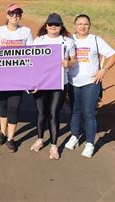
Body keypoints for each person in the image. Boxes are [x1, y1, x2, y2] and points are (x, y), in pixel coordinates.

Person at [65, 14, 115, 158]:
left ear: (89, 26)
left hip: (91, 83)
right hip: (73, 82)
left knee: (89, 113)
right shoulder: (69, 40)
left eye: (86, 24)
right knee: (75, 111)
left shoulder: (95, 39)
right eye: (79, 24)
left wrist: (103, 70)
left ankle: (89, 143)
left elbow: (113, 55)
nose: (82, 26)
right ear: (74, 25)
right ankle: (74, 136)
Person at [31, 13, 77, 160]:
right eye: (50, 24)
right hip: (41, 83)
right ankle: (39, 139)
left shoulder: (67, 41)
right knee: (41, 112)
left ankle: (54, 146)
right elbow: (32, 61)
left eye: (56, 25)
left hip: (59, 83)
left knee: (53, 114)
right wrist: (33, 82)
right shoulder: (38, 40)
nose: (53, 27)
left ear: (61, 26)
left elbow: (74, 59)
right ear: (46, 26)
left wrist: (68, 63)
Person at [0, 4, 33, 152]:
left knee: (14, 106)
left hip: (18, 76)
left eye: (18, 14)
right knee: (2, 105)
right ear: (7, 15)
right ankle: (2, 133)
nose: (15, 17)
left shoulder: (26, 31)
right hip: (1, 75)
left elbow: (31, 53)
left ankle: (11, 137)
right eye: (12, 14)